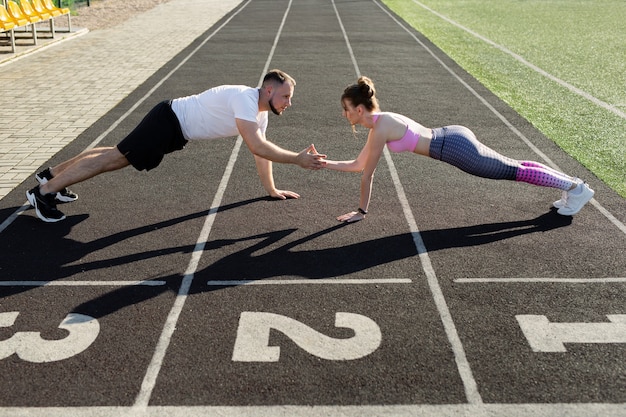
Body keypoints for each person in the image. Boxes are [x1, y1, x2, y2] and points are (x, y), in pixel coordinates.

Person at [26, 69, 326, 223]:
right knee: (115, 159)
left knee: (115, 153)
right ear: (270, 90)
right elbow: (259, 147)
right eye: (286, 97)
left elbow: (262, 154)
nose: (289, 103)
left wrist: (272, 190)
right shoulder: (246, 100)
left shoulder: (258, 112)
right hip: (169, 122)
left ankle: (50, 176)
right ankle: (43, 193)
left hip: (172, 125)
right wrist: (297, 160)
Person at [324, 76, 594, 223]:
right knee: (515, 165)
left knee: (513, 171)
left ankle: (576, 189)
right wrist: (324, 163)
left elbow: (366, 174)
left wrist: (361, 211)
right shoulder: (382, 121)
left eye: (346, 109)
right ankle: (573, 186)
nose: (344, 114)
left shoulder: (380, 129)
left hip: (455, 148)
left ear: (359, 109)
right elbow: (359, 164)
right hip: (452, 135)